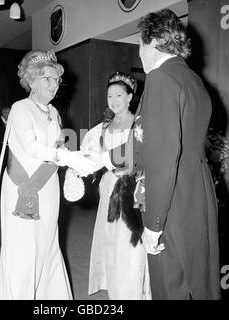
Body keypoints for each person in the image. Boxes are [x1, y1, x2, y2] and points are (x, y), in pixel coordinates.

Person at [105, 9, 221, 300]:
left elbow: (162, 156)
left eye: (140, 46)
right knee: (198, 284)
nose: (140, 54)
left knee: (169, 287)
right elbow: (147, 143)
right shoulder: (192, 79)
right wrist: (102, 159)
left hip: (170, 200)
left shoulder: (160, 78)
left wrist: (153, 224)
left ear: (154, 41)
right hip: (196, 193)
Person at [0, 49, 96, 300]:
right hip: (24, 189)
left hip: (48, 187)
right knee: (24, 250)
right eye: (47, 79)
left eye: (57, 80)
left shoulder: (54, 112)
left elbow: (56, 148)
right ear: (31, 80)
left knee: (48, 244)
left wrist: (73, 162)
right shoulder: (20, 108)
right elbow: (31, 147)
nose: (54, 85)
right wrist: (65, 157)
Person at [81, 72, 151, 300]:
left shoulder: (139, 124)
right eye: (110, 95)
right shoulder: (102, 128)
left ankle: (131, 290)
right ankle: (113, 284)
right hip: (108, 186)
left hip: (132, 188)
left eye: (119, 95)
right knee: (110, 238)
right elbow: (90, 156)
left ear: (130, 97)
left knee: (130, 240)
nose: (114, 100)